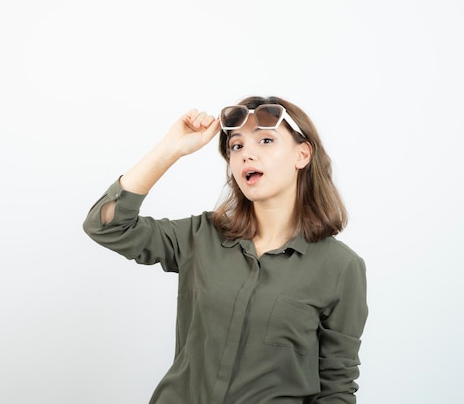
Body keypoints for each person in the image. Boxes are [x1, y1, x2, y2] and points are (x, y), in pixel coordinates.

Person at [83, 95, 368, 404]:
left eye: (266, 140)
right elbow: (106, 225)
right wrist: (171, 148)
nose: (247, 154)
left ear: (302, 154)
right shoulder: (201, 236)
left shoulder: (340, 267)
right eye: (237, 146)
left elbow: (337, 388)